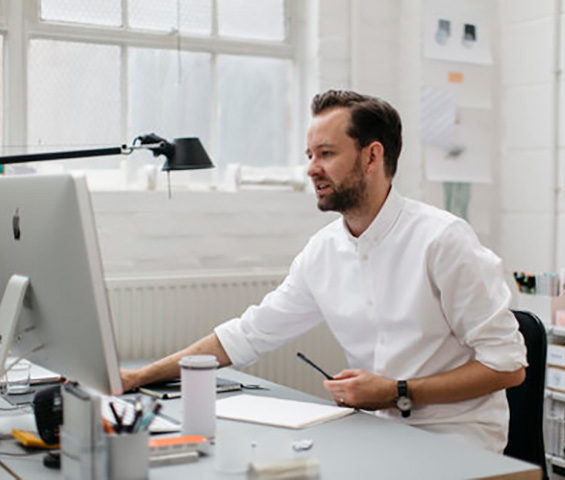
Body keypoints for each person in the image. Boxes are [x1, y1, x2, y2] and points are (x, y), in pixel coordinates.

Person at [121, 90, 527, 453]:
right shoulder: (323, 251)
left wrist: (396, 391)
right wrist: (139, 376)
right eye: (309, 155)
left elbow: (508, 367)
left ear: (372, 156)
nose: (312, 168)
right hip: (372, 432)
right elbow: (247, 335)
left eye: (327, 154)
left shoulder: (443, 240)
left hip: (456, 443)